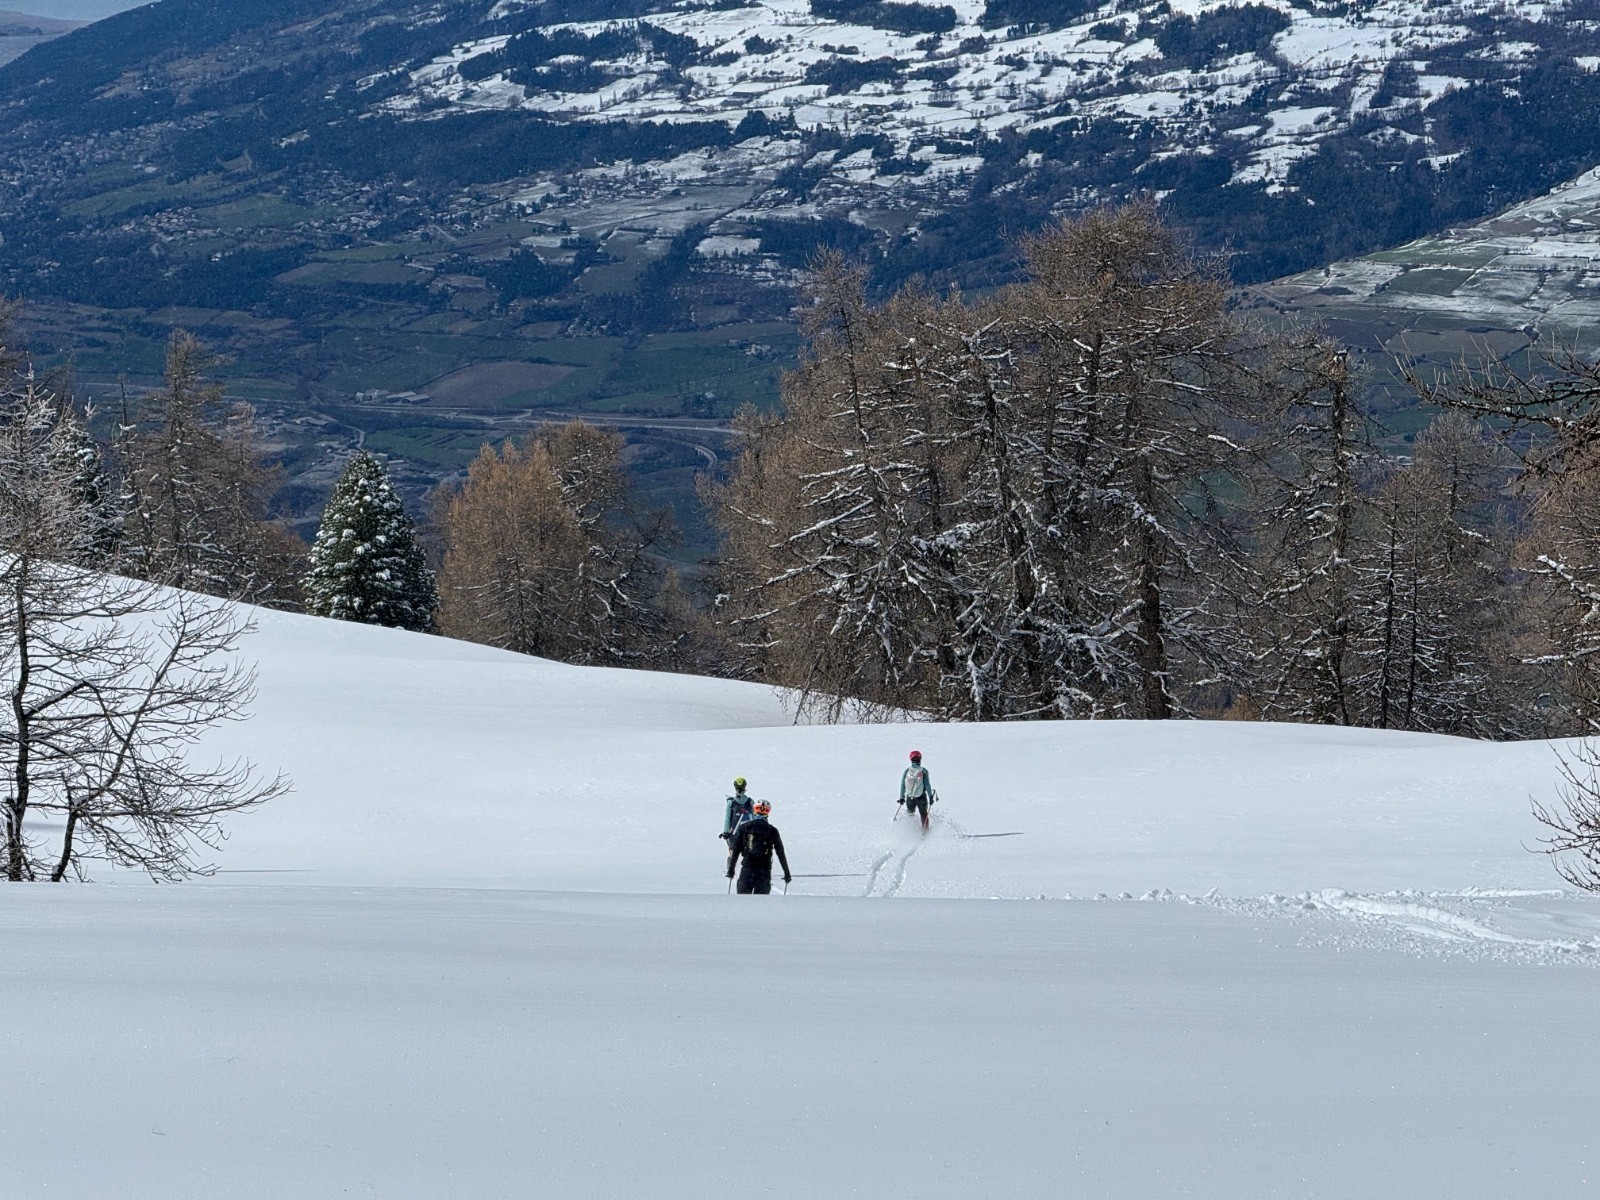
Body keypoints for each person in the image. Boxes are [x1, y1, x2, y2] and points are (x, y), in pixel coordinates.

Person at [725, 799, 791, 894]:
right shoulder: (772, 830)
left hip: (747, 870)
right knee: (761, 906)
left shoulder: (744, 827)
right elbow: (780, 853)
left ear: (755, 810)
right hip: (764, 872)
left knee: (743, 904)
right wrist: (787, 873)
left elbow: (736, 850)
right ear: (768, 812)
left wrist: (731, 870)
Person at [900, 750, 934, 832]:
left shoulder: (907, 771)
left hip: (909, 797)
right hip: (921, 797)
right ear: (920, 759)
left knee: (910, 815)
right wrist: (930, 796)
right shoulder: (923, 771)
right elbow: (927, 785)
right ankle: (925, 832)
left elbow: (903, 785)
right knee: (923, 815)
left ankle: (910, 832)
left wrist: (901, 797)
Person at [721, 777, 755, 841]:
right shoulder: (750, 802)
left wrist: (726, 831)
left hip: (736, 833)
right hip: (746, 833)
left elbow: (727, 818)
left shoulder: (731, 802)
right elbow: (755, 815)